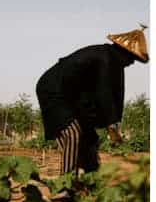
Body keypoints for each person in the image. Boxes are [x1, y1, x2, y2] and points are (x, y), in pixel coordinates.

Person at [35, 26, 148, 182]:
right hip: (54, 90)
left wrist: (112, 122)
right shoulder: (105, 59)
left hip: (73, 97)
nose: (131, 63)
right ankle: (66, 184)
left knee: (89, 138)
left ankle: (92, 180)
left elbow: (114, 94)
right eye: (131, 58)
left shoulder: (111, 60)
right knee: (72, 133)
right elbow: (104, 93)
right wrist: (111, 125)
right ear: (123, 51)